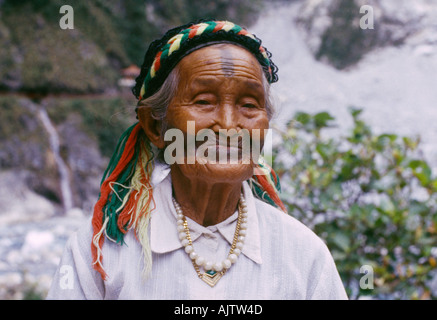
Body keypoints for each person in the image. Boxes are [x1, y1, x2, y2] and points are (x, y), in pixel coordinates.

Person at [46, 20, 347, 299]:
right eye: (203, 101)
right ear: (154, 126)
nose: (229, 125)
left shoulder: (303, 256)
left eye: (249, 104)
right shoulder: (101, 250)